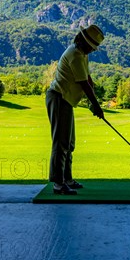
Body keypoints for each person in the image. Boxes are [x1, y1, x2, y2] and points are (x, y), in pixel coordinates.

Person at [45, 24, 105, 195]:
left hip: (66, 100)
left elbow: (88, 79)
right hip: (58, 98)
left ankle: (67, 179)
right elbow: (84, 84)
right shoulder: (75, 55)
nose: (93, 50)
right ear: (84, 41)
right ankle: (58, 183)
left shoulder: (82, 53)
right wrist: (96, 105)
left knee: (69, 143)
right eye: (92, 47)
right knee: (61, 142)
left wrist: (94, 102)